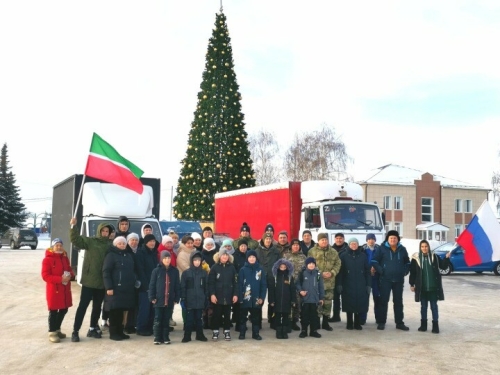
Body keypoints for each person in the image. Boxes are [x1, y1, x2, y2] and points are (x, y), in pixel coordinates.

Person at [69, 217, 113, 342]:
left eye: (107, 231)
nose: (105, 233)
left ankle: (92, 328)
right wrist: (73, 227)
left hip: (101, 282)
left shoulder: (110, 245)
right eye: (103, 231)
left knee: (97, 307)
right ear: (99, 231)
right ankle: (75, 331)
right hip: (89, 281)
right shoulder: (90, 241)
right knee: (83, 306)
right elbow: (75, 240)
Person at [371, 230, 410, 331]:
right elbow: (374, 261)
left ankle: (399, 323)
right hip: (385, 280)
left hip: (398, 280)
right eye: (391, 238)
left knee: (398, 302)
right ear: (387, 239)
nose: (393, 239)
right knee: (383, 301)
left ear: (398, 239)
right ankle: (381, 322)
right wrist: (381, 271)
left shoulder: (402, 249)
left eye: (395, 238)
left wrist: (404, 272)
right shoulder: (381, 248)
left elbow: (407, 262)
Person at [409, 239, 450, 334]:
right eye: (422, 246)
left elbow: (443, 267)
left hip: (433, 287)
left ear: (429, 247)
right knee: (423, 307)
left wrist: (447, 258)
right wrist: (412, 284)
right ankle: (423, 326)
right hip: (422, 288)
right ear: (420, 248)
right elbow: (413, 272)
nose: (424, 248)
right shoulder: (416, 258)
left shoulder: (434, 256)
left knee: (434, 307)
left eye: (426, 246)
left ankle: (435, 326)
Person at [102, 236, 137, 341]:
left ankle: (120, 332)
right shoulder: (111, 255)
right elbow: (106, 272)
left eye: (123, 243)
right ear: (115, 244)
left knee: (121, 311)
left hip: (126, 289)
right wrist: (109, 287)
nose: (122, 245)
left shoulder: (128, 255)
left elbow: (132, 270)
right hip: (114, 288)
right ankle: (113, 333)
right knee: (114, 311)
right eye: (120, 243)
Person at [41, 238, 74, 343]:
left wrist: (71, 275)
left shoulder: (64, 257)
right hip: (54, 289)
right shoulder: (47, 260)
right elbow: (45, 276)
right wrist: (60, 279)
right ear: (52, 247)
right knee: (54, 311)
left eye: (60, 245)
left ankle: (57, 329)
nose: (59, 247)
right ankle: (52, 332)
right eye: (57, 245)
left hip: (65, 288)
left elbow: (69, 269)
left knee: (64, 309)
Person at [308, 233, 341, 332]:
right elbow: (308, 265)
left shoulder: (333, 251)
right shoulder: (312, 251)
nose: (324, 241)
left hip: (329, 282)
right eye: (322, 240)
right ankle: (317, 322)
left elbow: (338, 263)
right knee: (317, 302)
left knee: (327, 303)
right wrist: (320, 274)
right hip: (316, 282)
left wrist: (332, 273)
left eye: (325, 240)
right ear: (318, 241)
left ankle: (326, 323)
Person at [337, 238, 371, 330]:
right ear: (349, 245)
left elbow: (367, 271)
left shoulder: (363, 256)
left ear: (358, 245)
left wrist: (368, 284)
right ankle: (349, 322)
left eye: (355, 244)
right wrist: (339, 284)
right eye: (352, 244)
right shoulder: (343, 256)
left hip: (361, 283)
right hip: (347, 282)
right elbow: (340, 271)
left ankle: (357, 323)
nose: (353, 245)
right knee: (349, 302)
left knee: (359, 303)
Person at [149, 251, 180, 345]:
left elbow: (177, 286)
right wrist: (152, 296)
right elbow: (152, 285)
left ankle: (165, 337)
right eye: (165, 258)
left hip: (169, 300)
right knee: (158, 319)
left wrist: (176, 298)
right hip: (159, 300)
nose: (167, 260)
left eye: (169, 258)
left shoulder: (174, 271)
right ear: (161, 259)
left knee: (166, 319)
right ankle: (157, 337)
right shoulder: (156, 271)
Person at [208, 248, 238, 341]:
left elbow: (235, 282)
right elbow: (211, 282)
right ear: (219, 256)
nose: (225, 256)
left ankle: (227, 331)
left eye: (226, 255)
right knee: (216, 315)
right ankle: (215, 331)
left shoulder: (232, 268)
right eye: (223, 255)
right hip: (218, 296)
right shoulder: (214, 267)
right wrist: (212, 294)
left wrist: (235, 294)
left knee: (227, 314)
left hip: (229, 296)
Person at [238, 249, 266, 340]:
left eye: (253, 257)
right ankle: (242, 333)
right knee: (242, 317)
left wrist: (262, 297)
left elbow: (263, 285)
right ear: (247, 259)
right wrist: (240, 297)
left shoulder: (260, 269)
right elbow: (239, 284)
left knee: (256, 317)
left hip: (256, 298)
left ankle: (255, 333)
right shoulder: (243, 270)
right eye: (250, 257)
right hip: (245, 297)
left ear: (256, 258)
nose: (252, 259)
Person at [180, 251, 208, 342]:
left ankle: (200, 335)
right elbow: (183, 287)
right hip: (190, 300)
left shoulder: (203, 273)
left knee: (199, 319)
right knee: (189, 320)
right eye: (195, 260)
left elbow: (206, 287)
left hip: (200, 299)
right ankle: (187, 336)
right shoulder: (186, 273)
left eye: (199, 260)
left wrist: (206, 298)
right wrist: (183, 298)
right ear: (192, 261)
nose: (197, 262)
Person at [255, 233, 281, 329]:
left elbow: (279, 263)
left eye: (270, 239)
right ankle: (258, 322)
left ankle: (272, 320)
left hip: (272, 278)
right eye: (266, 239)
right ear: (263, 240)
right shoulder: (257, 251)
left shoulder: (276, 251)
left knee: (272, 300)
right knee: (260, 299)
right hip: (260, 279)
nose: (268, 241)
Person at [135, 233, 159, 336]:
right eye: (150, 241)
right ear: (146, 242)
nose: (152, 243)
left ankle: (150, 326)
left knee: (152, 308)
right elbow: (140, 271)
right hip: (145, 286)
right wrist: (146, 286)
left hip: (154, 285)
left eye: (153, 241)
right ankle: (141, 328)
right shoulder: (140, 253)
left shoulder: (154, 253)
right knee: (144, 308)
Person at [296, 257, 324, 338]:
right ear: (306, 265)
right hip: (305, 299)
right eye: (309, 264)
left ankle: (313, 331)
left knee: (314, 316)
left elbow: (321, 286)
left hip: (315, 300)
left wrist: (321, 297)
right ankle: (304, 331)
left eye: (313, 264)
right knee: (304, 316)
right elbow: (297, 284)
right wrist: (301, 291)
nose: (311, 265)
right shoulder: (302, 273)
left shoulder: (318, 274)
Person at [268, 258, 296, 339]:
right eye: (281, 267)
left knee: (285, 316)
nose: (283, 268)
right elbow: (271, 289)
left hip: (286, 301)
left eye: (284, 267)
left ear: (287, 267)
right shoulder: (275, 277)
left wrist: (293, 300)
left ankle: (284, 331)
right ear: (278, 267)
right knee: (277, 316)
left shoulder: (290, 277)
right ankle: (278, 331)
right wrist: (271, 300)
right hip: (277, 301)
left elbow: (293, 289)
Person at [284, 239, 306, 331]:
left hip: (299, 284)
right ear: (291, 246)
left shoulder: (303, 257)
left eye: (297, 245)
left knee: (297, 303)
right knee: (288, 303)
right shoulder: (286, 256)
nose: (296, 247)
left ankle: (294, 321)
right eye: (294, 245)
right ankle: (288, 321)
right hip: (288, 283)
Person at [360, 233, 381, 325]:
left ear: (375, 240)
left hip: (377, 277)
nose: (371, 241)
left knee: (377, 298)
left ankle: (379, 318)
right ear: (366, 240)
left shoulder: (380, 249)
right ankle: (362, 318)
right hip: (365, 277)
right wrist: (368, 269)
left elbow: (383, 261)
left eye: (372, 239)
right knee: (364, 298)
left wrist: (376, 268)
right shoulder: (362, 249)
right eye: (369, 239)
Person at [331, 232, 349, 322]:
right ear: (334, 239)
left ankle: (350, 318)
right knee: (335, 297)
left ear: (343, 239)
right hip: (334, 276)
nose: (339, 240)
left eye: (340, 238)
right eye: (337, 238)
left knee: (347, 297)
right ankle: (336, 316)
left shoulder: (348, 248)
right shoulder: (331, 249)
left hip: (346, 277)